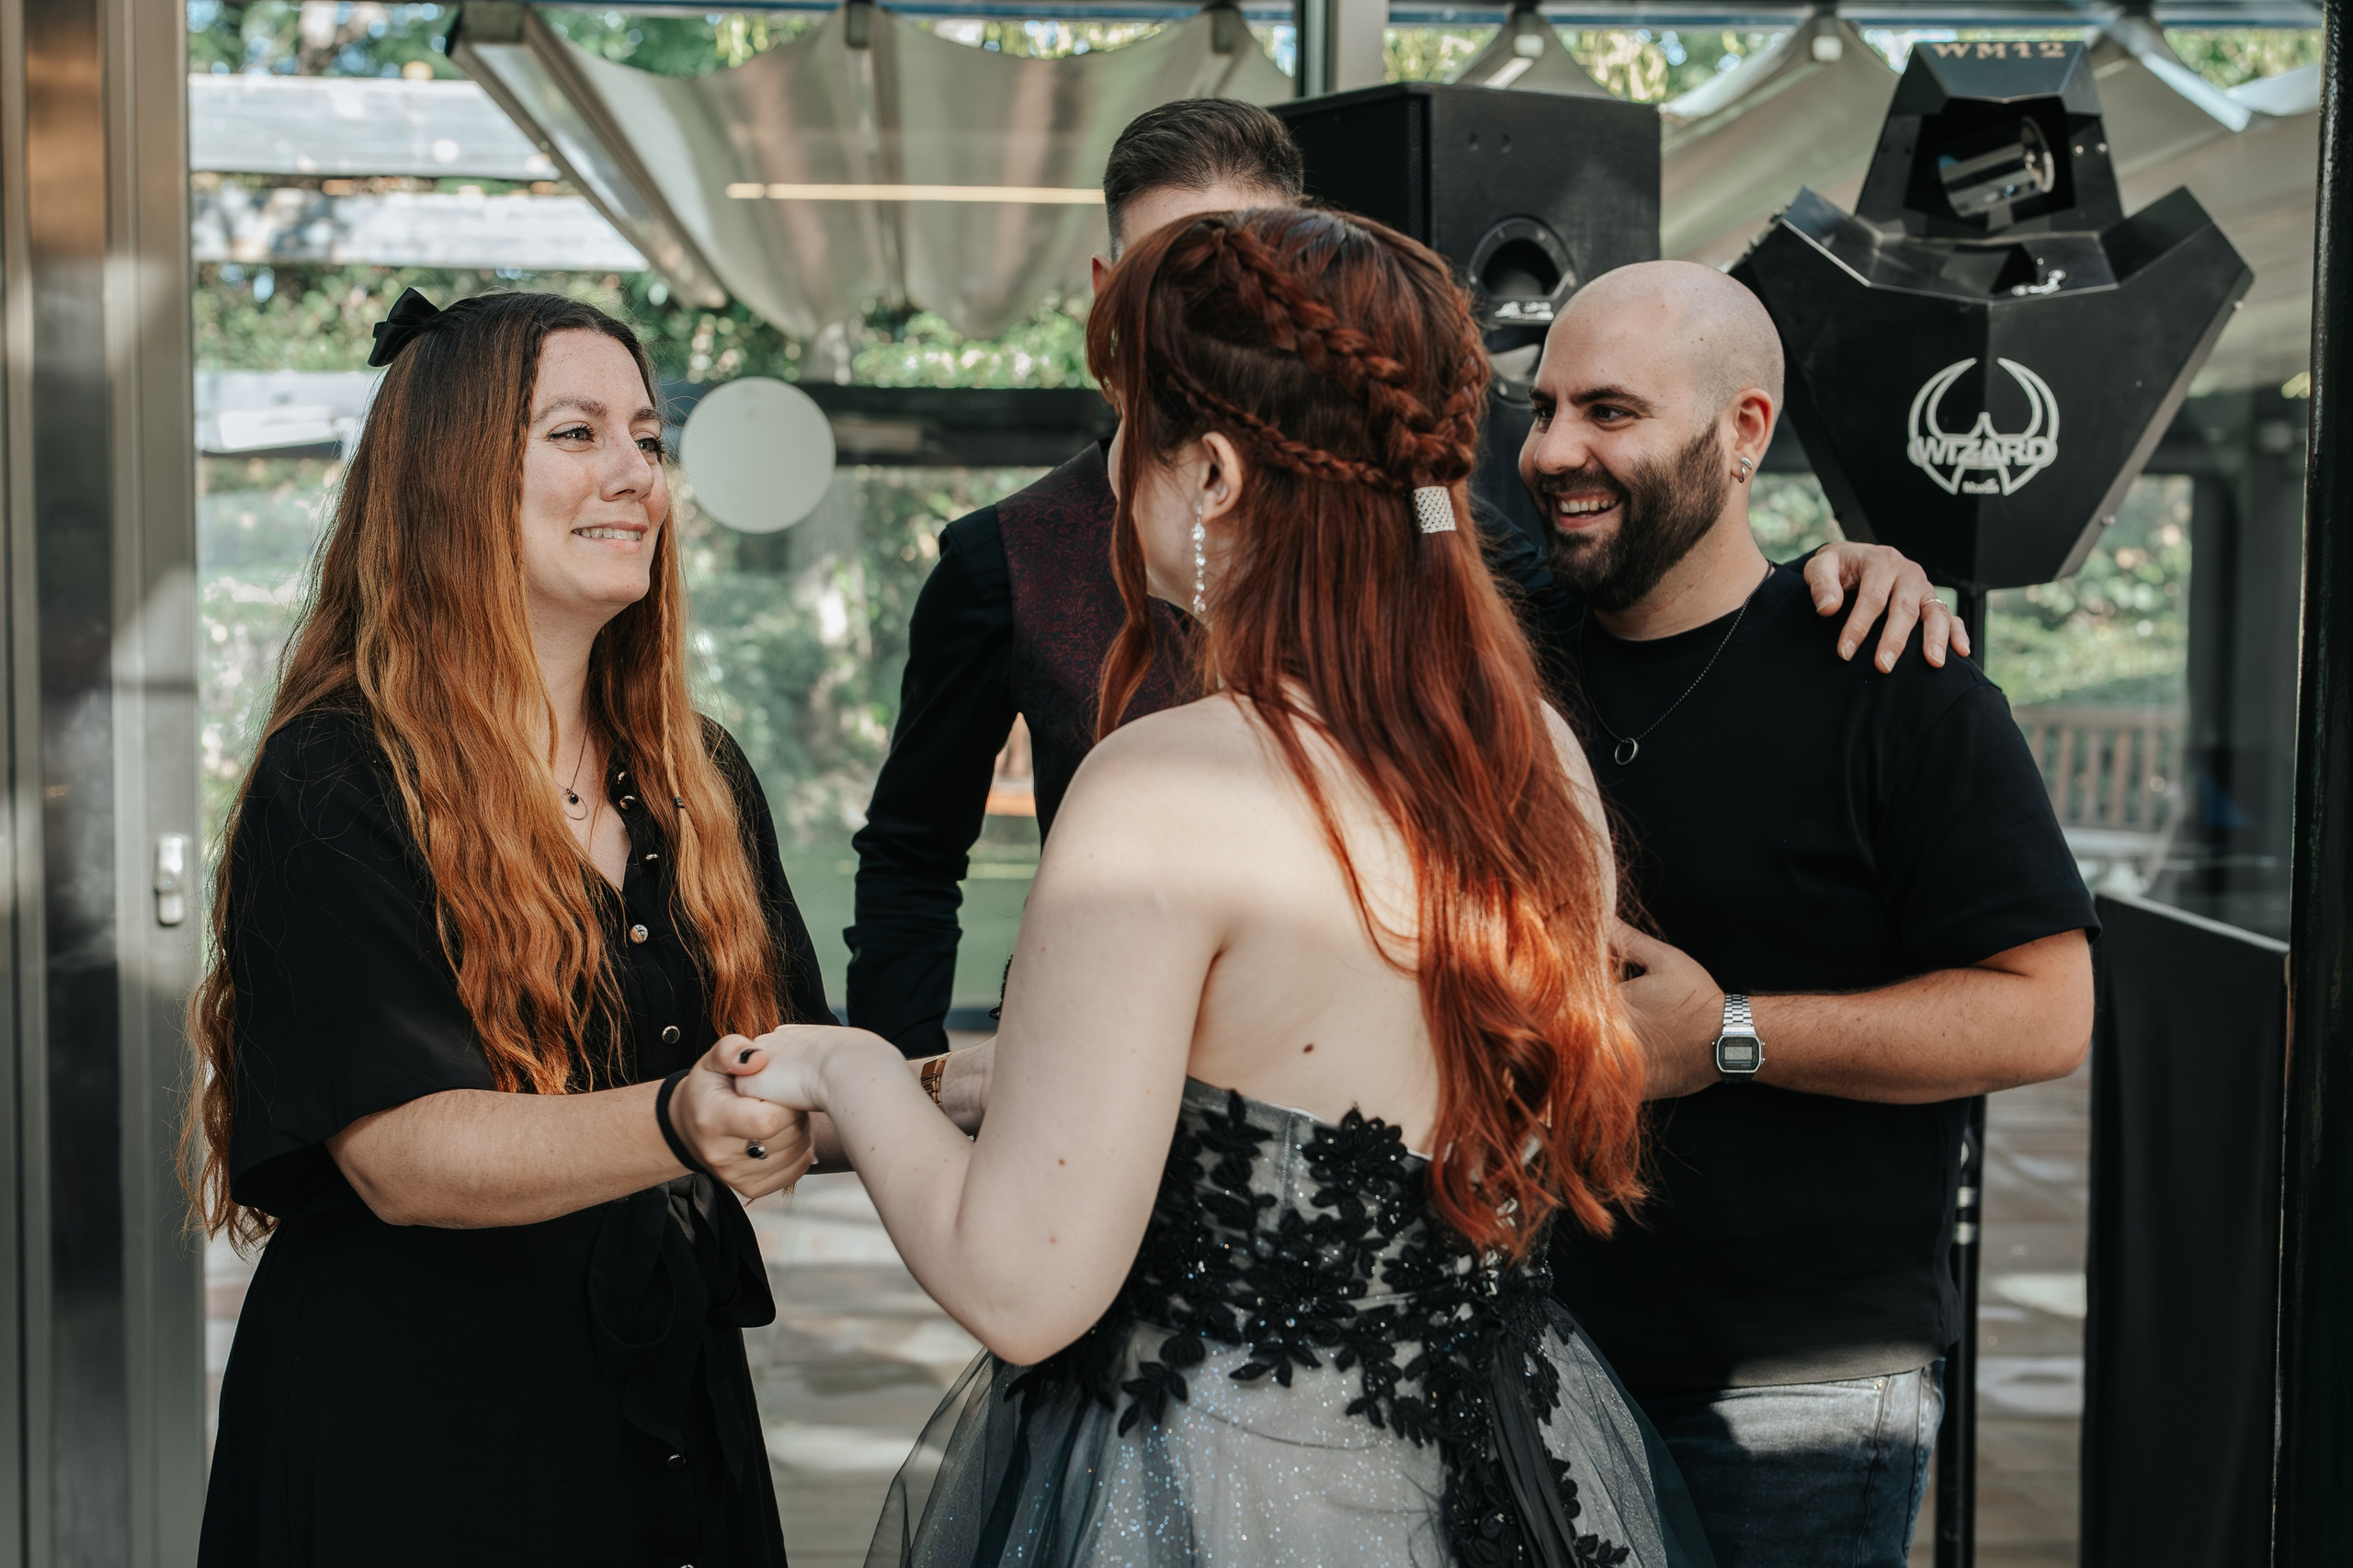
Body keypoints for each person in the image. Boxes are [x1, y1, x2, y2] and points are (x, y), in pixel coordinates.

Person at [736, 207, 1718, 1567]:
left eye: (1126, 428)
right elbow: (1287, 1109)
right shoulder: (1534, 753)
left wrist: (846, 1066)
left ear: (1207, 474)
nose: (1106, 473)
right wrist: (968, 1081)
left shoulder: (1165, 787)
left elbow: (1021, 1283)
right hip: (1498, 1473)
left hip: (1218, 1494)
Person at [846, 98, 1969, 1063]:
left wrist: (1819, 567)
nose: (1220, 317)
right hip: (1107, 1065)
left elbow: (1625, 604)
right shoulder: (1002, 554)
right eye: (1176, 276)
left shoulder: (1432, 516)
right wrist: (917, 1077)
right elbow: (911, 855)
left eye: (1254, 272)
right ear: (1106, 293)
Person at [189, 290, 828, 1567]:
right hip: (416, 1444)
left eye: (648, 438)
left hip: (661, 1418)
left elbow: (777, 1070)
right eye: (578, 434)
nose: (636, 475)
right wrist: (674, 1121)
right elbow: (401, 1149)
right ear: (457, 477)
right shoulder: (336, 779)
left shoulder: (698, 775)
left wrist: (964, 1081)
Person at [1527, 262, 2097, 1568]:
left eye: (1608, 410)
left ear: (1743, 432)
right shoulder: (1497, 656)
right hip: (1524, 1337)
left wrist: (1723, 1033)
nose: (1555, 447)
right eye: (1545, 404)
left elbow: (2047, 1011)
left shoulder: (1895, 677)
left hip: (1797, 1389)